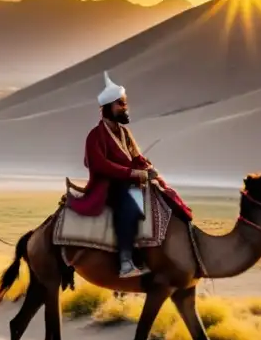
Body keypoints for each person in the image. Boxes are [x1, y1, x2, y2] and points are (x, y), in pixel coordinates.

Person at [66, 71, 194, 278]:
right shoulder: (95, 136)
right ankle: (125, 261)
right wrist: (133, 173)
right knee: (130, 209)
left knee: (162, 201)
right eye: (121, 104)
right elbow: (100, 166)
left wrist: (148, 169)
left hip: (130, 183)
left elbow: (135, 156)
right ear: (109, 108)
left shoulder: (124, 133)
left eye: (124, 103)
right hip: (108, 187)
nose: (125, 108)